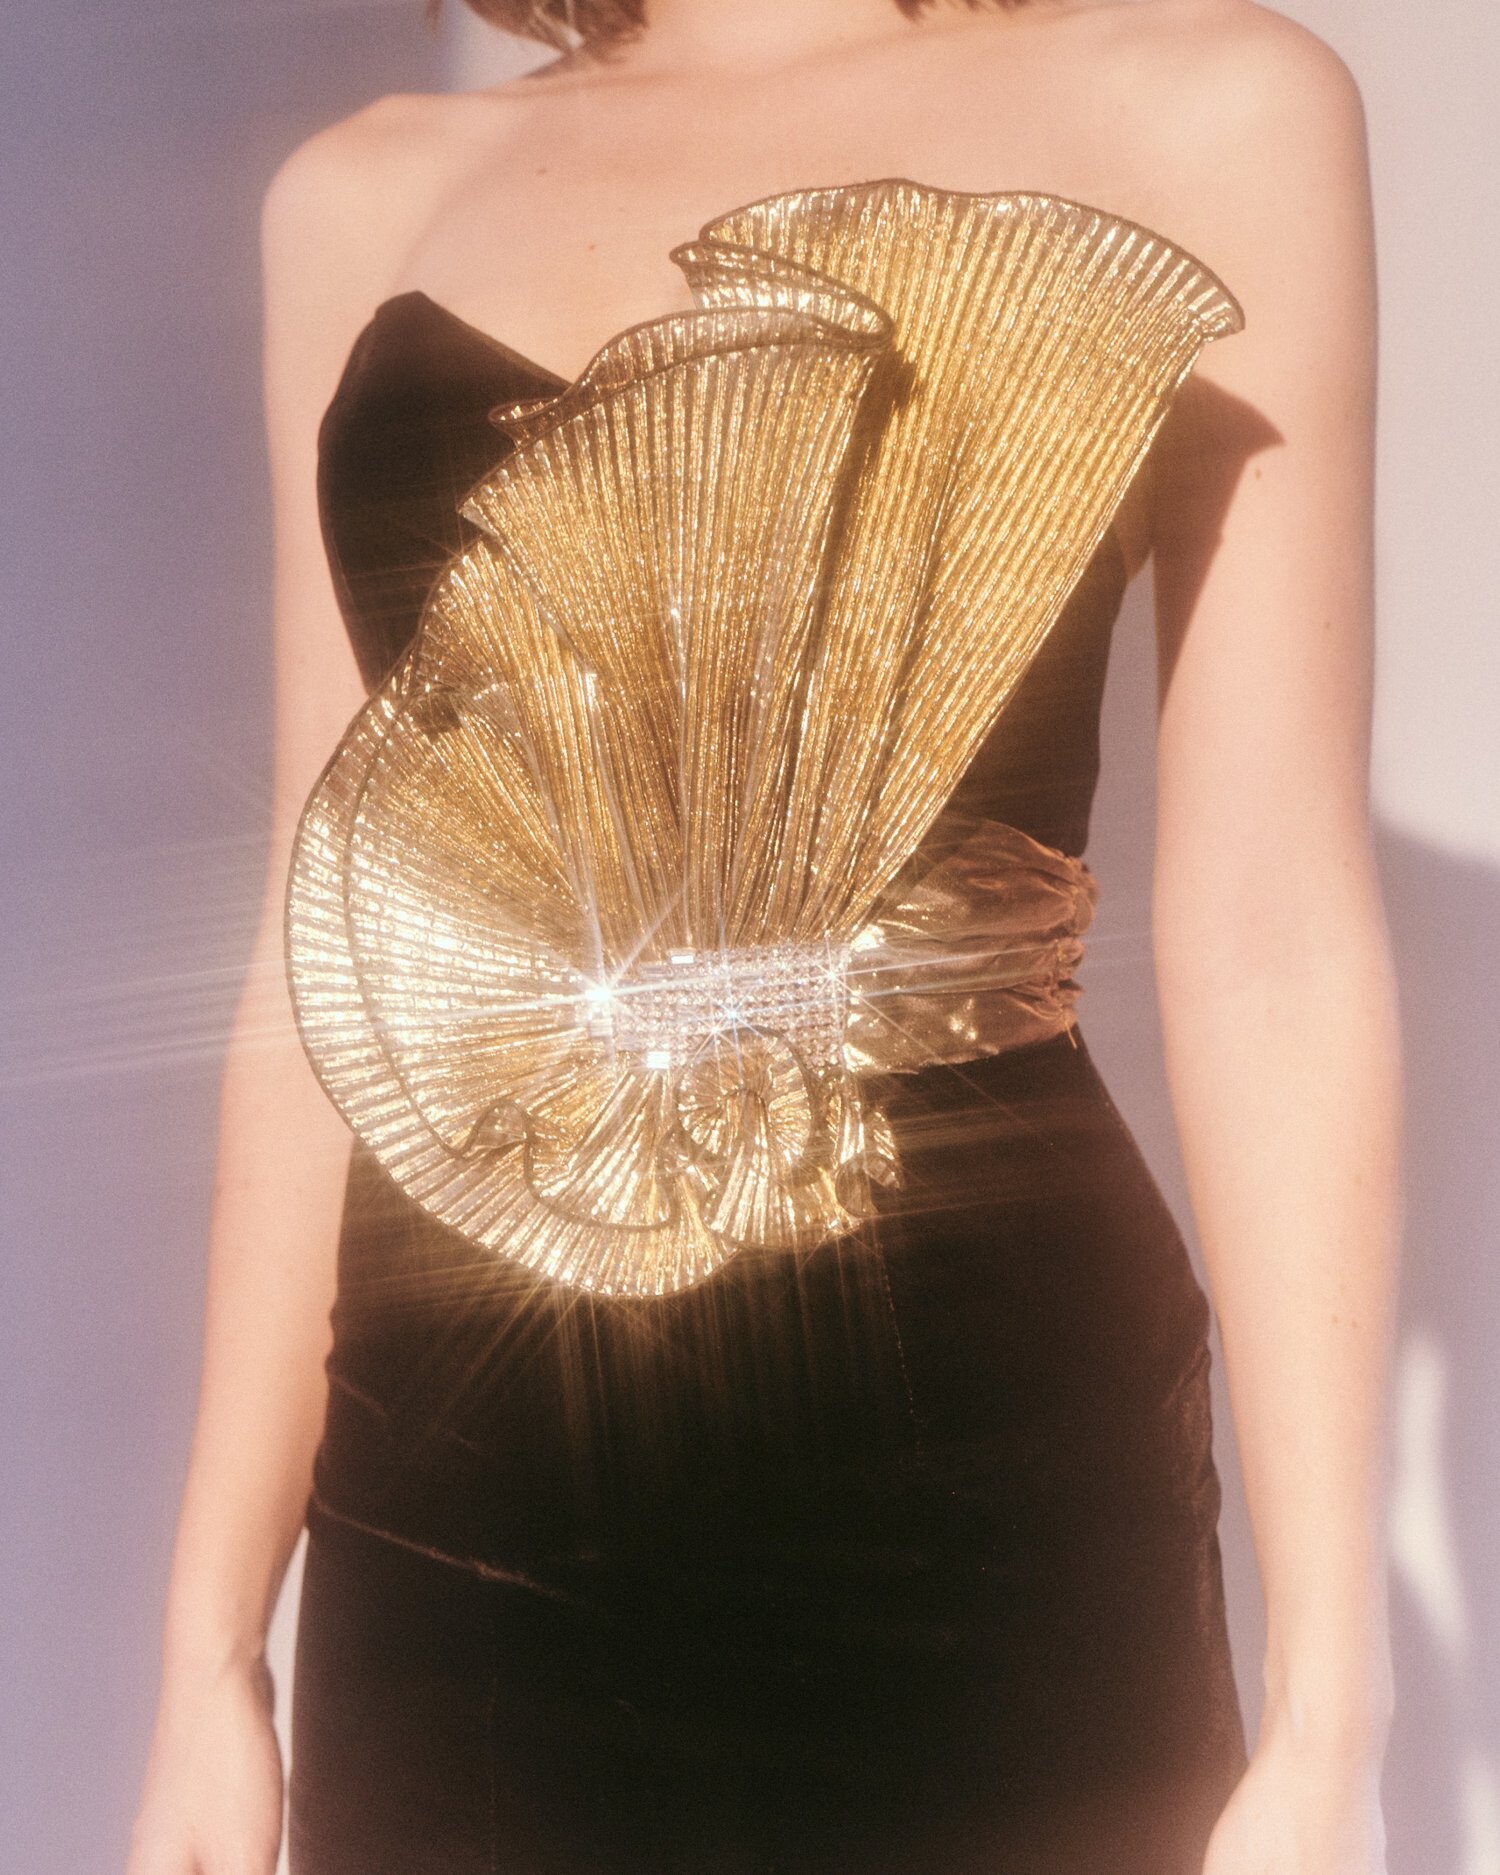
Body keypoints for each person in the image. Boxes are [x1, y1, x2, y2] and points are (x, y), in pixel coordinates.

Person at [127, 1, 1401, 1870]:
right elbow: (323, 955)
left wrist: (1334, 1708)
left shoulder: (1209, 107)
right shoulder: (367, 191)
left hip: (982, 1470)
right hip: (452, 1500)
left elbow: (1271, 936)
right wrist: (206, 1656)